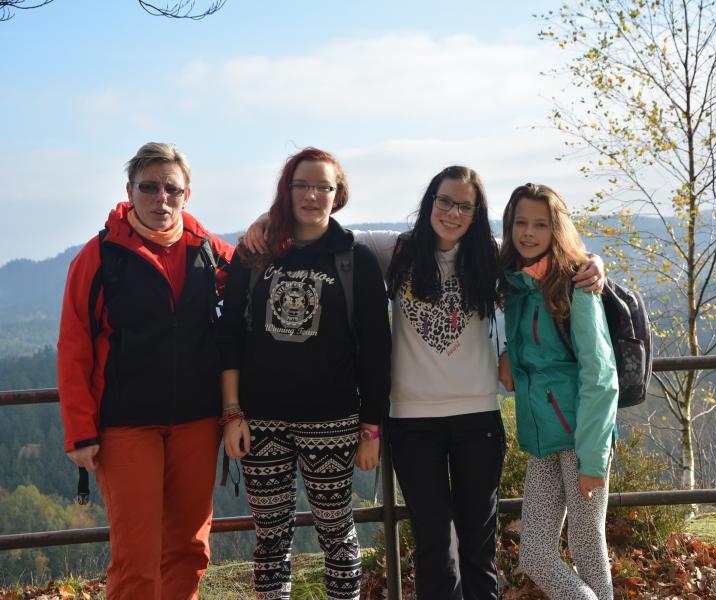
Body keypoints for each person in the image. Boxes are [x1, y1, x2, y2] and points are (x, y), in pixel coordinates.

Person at [243, 166, 605, 600]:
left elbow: (554, 256)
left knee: (478, 548)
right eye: (445, 201)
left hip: (478, 419)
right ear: (430, 201)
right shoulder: (397, 249)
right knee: (435, 547)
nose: (453, 213)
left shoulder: (491, 256)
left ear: (476, 213)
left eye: (464, 206)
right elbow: (324, 230)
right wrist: (269, 219)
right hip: (413, 423)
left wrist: (596, 263)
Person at [57, 142, 234, 600]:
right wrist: (80, 431)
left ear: (187, 195)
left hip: (197, 419)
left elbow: (260, 276)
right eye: (149, 187)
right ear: (129, 191)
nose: (161, 198)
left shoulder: (207, 250)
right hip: (125, 424)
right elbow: (74, 345)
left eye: (172, 189)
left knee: (190, 550)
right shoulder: (100, 256)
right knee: (136, 557)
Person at [217, 147, 391, 600]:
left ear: (338, 193)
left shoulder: (355, 258)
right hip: (260, 421)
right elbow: (229, 336)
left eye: (323, 186)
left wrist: (371, 429)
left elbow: (377, 349)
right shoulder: (254, 253)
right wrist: (232, 413)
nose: (312, 195)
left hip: (332, 420)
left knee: (337, 534)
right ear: (287, 190)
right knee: (270, 539)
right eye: (302, 185)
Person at [498, 183, 618, 600]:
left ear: (557, 229)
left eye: (541, 225)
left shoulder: (576, 284)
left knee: (588, 550)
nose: (528, 233)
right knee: (535, 555)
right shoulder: (517, 282)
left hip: (581, 437)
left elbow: (601, 376)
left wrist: (593, 458)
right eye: (521, 223)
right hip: (542, 439)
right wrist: (508, 352)